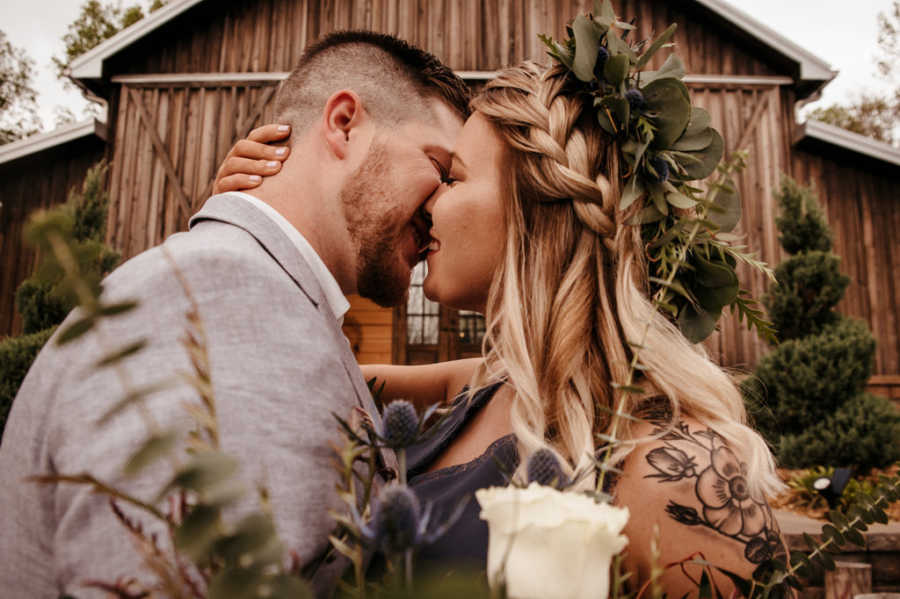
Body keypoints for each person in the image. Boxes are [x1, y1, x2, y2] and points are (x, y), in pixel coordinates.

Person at [222, 61, 786, 595]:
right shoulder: (468, 388)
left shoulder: (675, 472)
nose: (427, 203)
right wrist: (251, 219)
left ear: (536, 210)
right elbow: (253, 378)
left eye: (453, 178)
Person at [0, 31, 468, 598]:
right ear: (344, 123)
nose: (446, 206)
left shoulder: (255, 292)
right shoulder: (231, 298)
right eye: (439, 168)